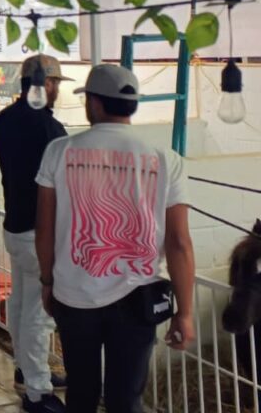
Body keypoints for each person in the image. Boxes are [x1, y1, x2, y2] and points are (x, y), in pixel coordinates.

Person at [36, 65, 196, 413]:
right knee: (126, 399)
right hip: (139, 297)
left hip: (74, 295)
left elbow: (44, 229)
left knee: (81, 393)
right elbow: (179, 243)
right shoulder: (166, 159)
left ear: (94, 102)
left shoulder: (59, 152)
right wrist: (185, 312)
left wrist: (47, 282)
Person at [0, 55, 70, 411]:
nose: (57, 91)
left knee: (21, 303)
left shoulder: (1, 121)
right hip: (41, 233)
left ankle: (25, 369)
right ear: (47, 83)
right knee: (39, 314)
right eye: (57, 84)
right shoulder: (51, 131)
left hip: (14, 226)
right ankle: (38, 391)